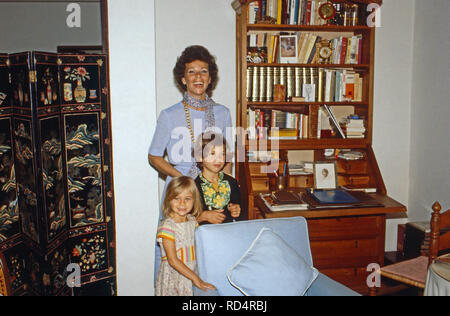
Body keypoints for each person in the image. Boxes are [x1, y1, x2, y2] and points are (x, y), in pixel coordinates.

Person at [155, 176, 216, 296]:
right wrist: (195, 279)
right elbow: (172, 261)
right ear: (168, 200)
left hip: (192, 272)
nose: (182, 203)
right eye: (176, 198)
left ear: (194, 201)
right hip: (174, 277)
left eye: (187, 199)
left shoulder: (193, 221)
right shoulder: (167, 226)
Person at [194, 131, 243, 224]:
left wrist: (236, 209)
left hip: (229, 232)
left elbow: (239, 208)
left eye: (222, 154)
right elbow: (185, 219)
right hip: (205, 235)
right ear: (200, 157)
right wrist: (203, 216)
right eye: (212, 153)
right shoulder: (193, 187)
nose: (218, 159)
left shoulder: (232, 183)